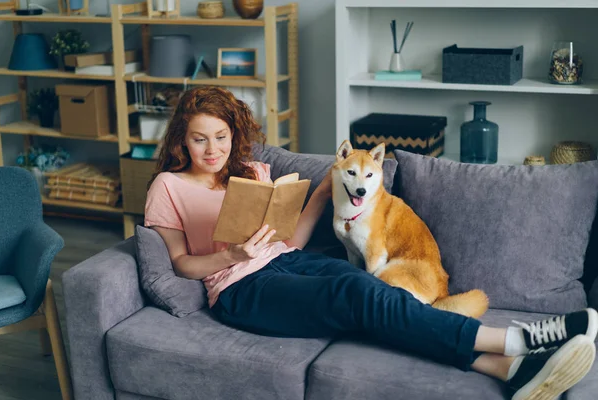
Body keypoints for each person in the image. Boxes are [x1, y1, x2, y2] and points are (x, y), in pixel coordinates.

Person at [145, 86, 597, 400]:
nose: (212, 149)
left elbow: (290, 241)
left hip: (284, 261)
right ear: (183, 140)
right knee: (355, 290)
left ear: (233, 134)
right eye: (200, 139)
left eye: (221, 137)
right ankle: (519, 339)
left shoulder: (252, 171)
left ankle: (507, 370)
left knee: (367, 287)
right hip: (238, 290)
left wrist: (321, 192)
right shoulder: (168, 185)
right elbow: (181, 263)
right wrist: (230, 255)